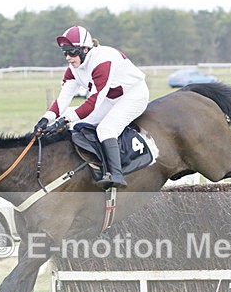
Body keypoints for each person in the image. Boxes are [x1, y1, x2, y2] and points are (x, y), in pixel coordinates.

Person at [33, 25, 149, 189]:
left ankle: (117, 175)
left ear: (85, 49)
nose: (68, 58)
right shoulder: (73, 69)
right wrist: (46, 119)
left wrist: (64, 120)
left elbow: (93, 102)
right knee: (74, 122)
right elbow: (63, 99)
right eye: (65, 53)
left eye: (72, 52)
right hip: (110, 98)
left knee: (106, 129)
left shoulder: (102, 61)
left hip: (133, 96)